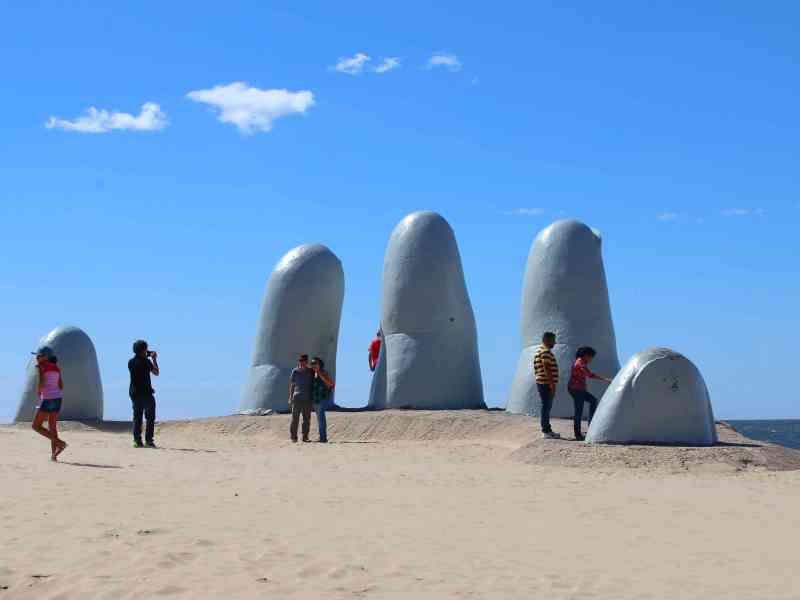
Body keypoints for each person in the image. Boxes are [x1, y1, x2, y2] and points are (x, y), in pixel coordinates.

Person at [568, 346, 613, 441]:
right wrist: (605, 379)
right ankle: (578, 434)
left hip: (579, 389)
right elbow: (589, 374)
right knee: (579, 411)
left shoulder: (581, 361)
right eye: (591, 357)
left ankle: (590, 426)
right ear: (586, 355)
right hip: (576, 389)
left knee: (593, 401)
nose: (591, 359)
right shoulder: (580, 363)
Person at [30, 347, 67, 461]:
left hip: (48, 398)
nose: (37, 357)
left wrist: (39, 391)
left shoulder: (41, 366)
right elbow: (61, 385)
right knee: (52, 427)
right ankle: (54, 455)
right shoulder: (56, 368)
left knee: (36, 426)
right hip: (58, 398)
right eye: (36, 355)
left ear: (46, 357)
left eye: (39, 355)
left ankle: (60, 443)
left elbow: (41, 382)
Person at [128, 339, 160, 448]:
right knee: (150, 417)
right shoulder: (146, 362)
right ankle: (149, 441)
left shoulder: (131, 362)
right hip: (146, 393)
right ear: (143, 350)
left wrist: (147, 355)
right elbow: (156, 372)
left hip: (134, 393)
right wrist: (154, 359)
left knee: (137, 417)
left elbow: (141, 359)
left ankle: (137, 441)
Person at [533, 331, 561, 439]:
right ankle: (546, 431)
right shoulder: (545, 352)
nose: (555, 342)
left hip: (542, 382)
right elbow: (547, 368)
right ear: (547, 340)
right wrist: (552, 384)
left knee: (546, 406)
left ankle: (547, 429)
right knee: (546, 406)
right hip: (545, 383)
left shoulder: (540, 351)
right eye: (553, 340)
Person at [288, 354, 314, 442]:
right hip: (297, 397)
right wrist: (290, 397)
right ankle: (293, 437)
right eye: (301, 361)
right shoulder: (295, 371)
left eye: (304, 361)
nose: (302, 363)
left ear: (307, 362)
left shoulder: (310, 371)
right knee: (295, 418)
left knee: (306, 419)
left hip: (307, 398)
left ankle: (305, 436)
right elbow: (292, 385)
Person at [310, 356, 335, 443]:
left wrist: (320, 374)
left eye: (315, 363)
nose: (313, 365)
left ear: (319, 364)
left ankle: (323, 437)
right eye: (312, 363)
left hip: (322, 398)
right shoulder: (312, 374)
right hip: (315, 399)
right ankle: (322, 436)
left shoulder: (324, 372)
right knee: (319, 418)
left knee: (321, 418)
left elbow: (330, 384)